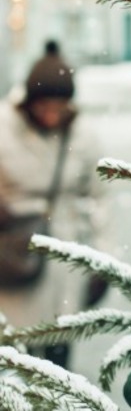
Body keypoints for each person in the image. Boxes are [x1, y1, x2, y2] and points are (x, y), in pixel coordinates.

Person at [0, 40, 108, 369]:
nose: (51, 113)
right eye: (44, 104)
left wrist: (104, 259)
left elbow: (100, 197)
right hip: (14, 254)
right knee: (16, 354)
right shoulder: (4, 129)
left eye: (58, 105)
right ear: (30, 102)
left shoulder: (82, 137)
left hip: (64, 254)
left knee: (59, 352)